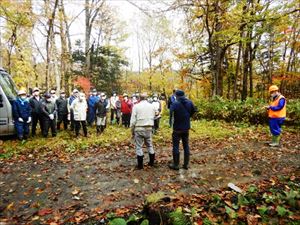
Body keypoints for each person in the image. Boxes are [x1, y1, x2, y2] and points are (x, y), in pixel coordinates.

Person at [169, 90, 197, 170]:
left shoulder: (174, 103)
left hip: (177, 128)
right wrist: (188, 116)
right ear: (184, 95)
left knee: (176, 146)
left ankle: (176, 164)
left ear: (177, 96)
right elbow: (194, 111)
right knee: (186, 146)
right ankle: (186, 164)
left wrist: (170, 124)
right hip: (186, 128)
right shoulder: (190, 102)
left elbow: (171, 114)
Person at [130, 93, 157, 169]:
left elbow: (132, 121)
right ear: (147, 98)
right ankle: (151, 163)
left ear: (139, 98)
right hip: (149, 128)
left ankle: (140, 165)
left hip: (139, 128)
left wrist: (132, 130)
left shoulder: (136, 106)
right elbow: (156, 116)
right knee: (149, 145)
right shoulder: (152, 106)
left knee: (138, 146)